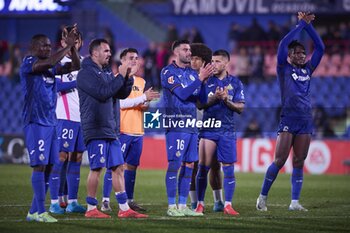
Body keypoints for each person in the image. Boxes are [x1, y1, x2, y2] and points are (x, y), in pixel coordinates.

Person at [256, 12, 325, 212]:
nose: (301, 55)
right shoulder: (283, 68)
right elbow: (282, 45)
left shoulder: (308, 69)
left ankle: (294, 202)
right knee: (279, 160)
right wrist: (300, 25)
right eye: (297, 52)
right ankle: (262, 197)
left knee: (299, 160)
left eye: (303, 53)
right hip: (288, 118)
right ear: (289, 55)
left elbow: (321, 48)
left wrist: (309, 27)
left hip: (305, 120)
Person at [77, 38, 148, 218]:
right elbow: (103, 93)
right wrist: (120, 75)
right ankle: (91, 208)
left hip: (111, 127)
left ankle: (124, 209)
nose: (109, 54)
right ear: (94, 53)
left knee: (118, 167)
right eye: (106, 51)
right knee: (96, 168)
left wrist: (127, 77)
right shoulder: (85, 73)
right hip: (96, 127)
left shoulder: (106, 72)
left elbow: (121, 93)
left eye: (109, 51)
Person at [20, 27, 80, 222]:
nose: (47, 48)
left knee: (49, 166)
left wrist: (74, 50)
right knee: (39, 166)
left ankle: (33, 211)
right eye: (44, 46)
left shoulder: (49, 69)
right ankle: (40, 212)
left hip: (51, 122)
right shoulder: (28, 63)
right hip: (36, 121)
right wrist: (68, 45)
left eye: (48, 45)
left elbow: (75, 67)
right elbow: (52, 61)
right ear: (33, 47)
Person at [100, 48, 160, 212]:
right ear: (122, 62)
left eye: (136, 57)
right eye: (131, 58)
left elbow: (141, 106)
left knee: (132, 166)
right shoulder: (116, 80)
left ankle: (129, 200)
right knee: (114, 165)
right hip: (122, 130)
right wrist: (142, 98)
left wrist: (146, 103)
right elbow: (119, 104)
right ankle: (105, 201)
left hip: (138, 131)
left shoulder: (141, 81)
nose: (135, 60)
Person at [161, 39, 213, 217]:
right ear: (176, 52)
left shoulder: (192, 74)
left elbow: (202, 102)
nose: (189, 52)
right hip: (176, 124)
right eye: (185, 49)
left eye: (189, 49)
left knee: (190, 164)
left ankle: (183, 205)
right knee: (175, 164)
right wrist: (199, 78)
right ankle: (171, 206)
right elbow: (182, 94)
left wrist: (204, 81)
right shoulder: (168, 72)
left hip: (191, 125)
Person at [195, 50, 245, 215]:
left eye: (217, 61)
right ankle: (200, 204)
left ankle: (228, 205)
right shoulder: (206, 81)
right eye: (212, 61)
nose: (213, 64)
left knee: (229, 168)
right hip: (208, 129)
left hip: (227, 130)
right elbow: (200, 105)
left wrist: (225, 99)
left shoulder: (236, 83)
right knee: (203, 167)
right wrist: (214, 98)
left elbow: (240, 108)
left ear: (226, 63)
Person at [48, 26, 86, 214]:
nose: (74, 44)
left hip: (82, 118)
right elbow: (53, 85)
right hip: (65, 117)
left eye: (77, 41)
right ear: (63, 43)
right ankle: (55, 201)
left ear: (81, 43)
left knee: (77, 157)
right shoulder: (58, 62)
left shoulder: (85, 63)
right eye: (70, 40)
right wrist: (76, 83)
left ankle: (72, 201)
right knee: (61, 156)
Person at [188, 43, 224, 212]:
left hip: (211, 128)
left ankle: (218, 201)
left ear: (205, 62)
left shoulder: (216, 80)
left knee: (216, 165)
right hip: (192, 128)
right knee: (193, 165)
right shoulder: (187, 78)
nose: (193, 62)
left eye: (197, 59)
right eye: (191, 58)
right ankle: (194, 202)